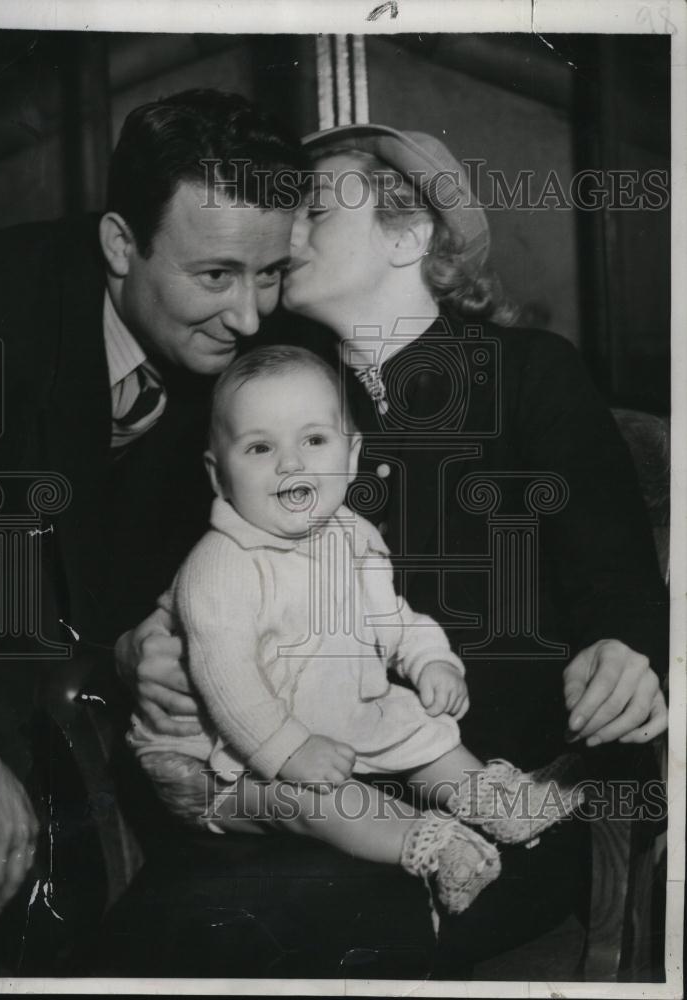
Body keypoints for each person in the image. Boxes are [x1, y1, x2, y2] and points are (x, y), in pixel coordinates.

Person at [118, 124, 668, 975]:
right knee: (164, 934)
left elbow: (621, 587)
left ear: (410, 234)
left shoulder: (528, 372)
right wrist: (143, 652)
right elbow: (171, 585)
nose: (282, 234)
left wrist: (624, 652)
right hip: (294, 796)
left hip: (497, 804)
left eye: (310, 211)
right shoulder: (262, 401)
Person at [0, 88, 306, 971]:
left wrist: (145, 634)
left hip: (60, 700)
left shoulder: (257, 348)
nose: (250, 317)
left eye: (270, 273)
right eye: (215, 275)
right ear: (117, 244)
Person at [127, 343, 585, 914]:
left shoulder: (355, 535)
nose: (291, 464)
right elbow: (228, 683)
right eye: (260, 447)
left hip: (335, 704)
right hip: (229, 748)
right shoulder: (220, 565)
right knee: (319, 802)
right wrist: (289, 751)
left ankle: (495, 800)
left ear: (351, 456)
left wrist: (429, 658)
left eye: (314, 440)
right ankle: (429, 844)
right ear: (218, 477)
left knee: (427, 731)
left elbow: (388, 615)